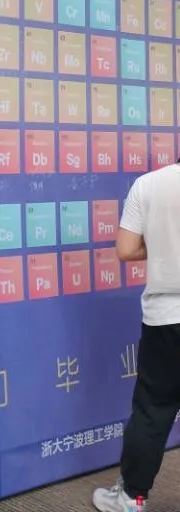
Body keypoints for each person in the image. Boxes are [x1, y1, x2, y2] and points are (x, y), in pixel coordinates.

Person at [92, 161, 180, 512]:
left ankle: (132, 498)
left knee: (152, 410)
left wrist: (162, 246)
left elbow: (126, 249)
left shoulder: (149, 184)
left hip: (166, 318)